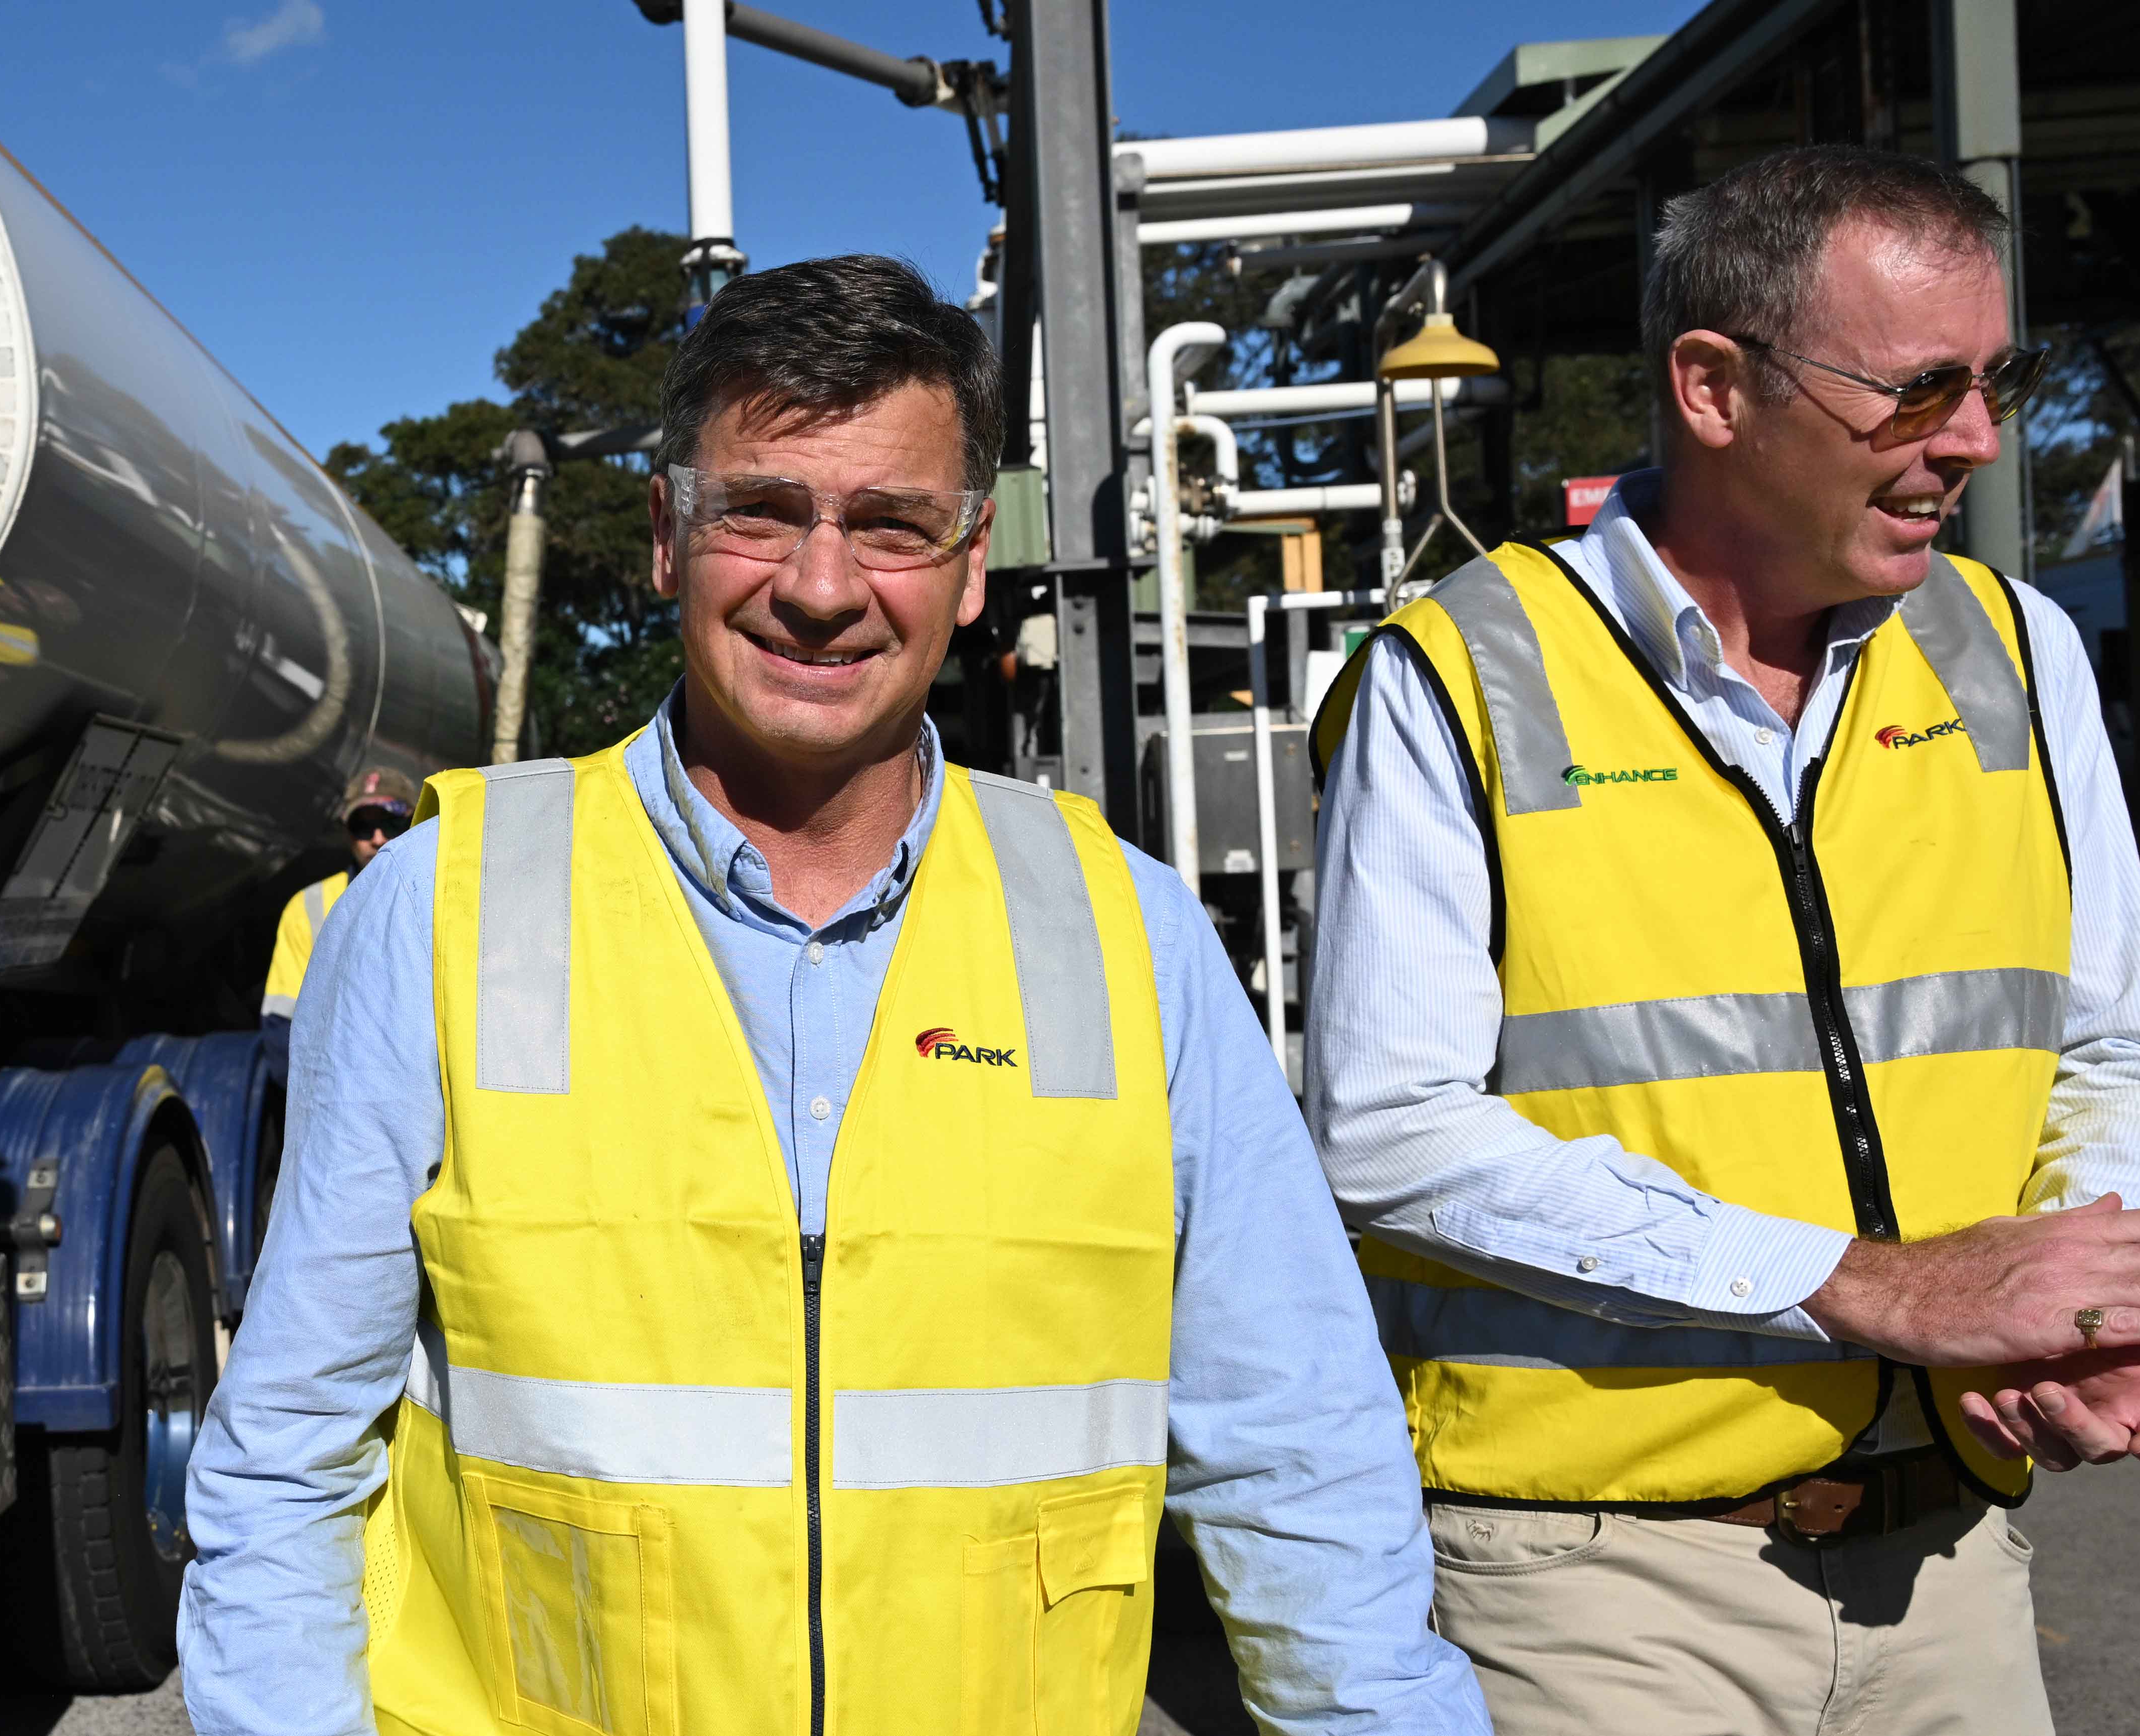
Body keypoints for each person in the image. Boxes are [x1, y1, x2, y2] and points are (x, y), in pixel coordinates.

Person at [179, 255, 1486, 1736]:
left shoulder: (1129, 932)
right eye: (761, 510)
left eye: (892, 526)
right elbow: (291, 1456)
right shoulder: (442, 911)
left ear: (972, 564)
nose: (819, 589)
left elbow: (1298, 1455)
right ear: (667, 537)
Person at [1305, 143, 2140, 1736]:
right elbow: (1387, 1131)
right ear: (1712, 387)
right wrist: (1864, 1288)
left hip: (1954, 1566)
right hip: (1598, 1591)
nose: (1973, 440)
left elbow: (2122, 1044)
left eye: (1996, 380)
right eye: (1916, 391)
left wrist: (2081, 1294)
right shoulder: (1461, 675)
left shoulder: (2016, 650)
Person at [258, 767, 416, 1078]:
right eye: (363, 827)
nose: (378, 839)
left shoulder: (449, 896)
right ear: (346, 832)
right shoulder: (308, 906)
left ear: (417, 824)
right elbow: (281, 1030)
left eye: (392, 823)